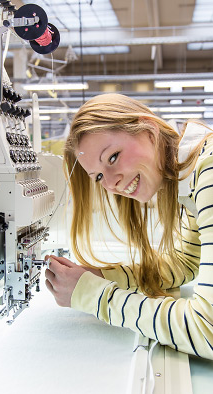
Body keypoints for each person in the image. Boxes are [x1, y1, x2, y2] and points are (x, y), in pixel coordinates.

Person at [45, 93, 213, 360]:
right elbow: (186, 262)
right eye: (98, 176)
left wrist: (95, 296)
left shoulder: (209, 171)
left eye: (112, 157)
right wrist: (103, 276)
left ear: (149, 130)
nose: (110, 184)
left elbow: (207, 332)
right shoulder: (191, 179)